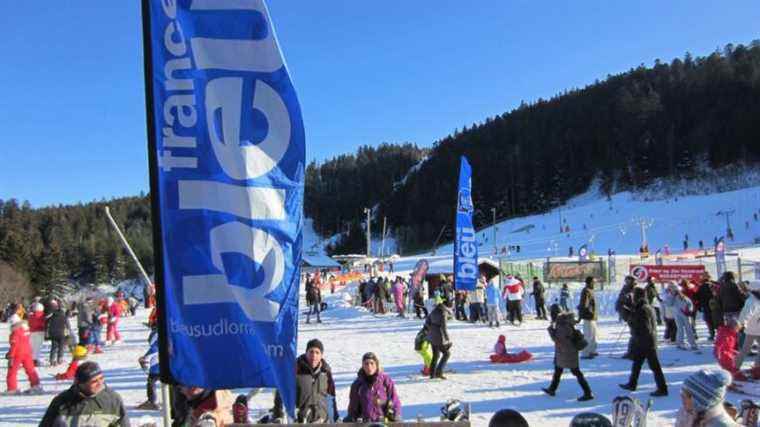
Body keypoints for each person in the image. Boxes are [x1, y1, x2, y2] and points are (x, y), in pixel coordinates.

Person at [40, 361, 130, 426]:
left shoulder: (112, 399)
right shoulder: (62, 401)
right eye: (94, 381)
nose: (100, 383)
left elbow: (123, 424)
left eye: (101, 378)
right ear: (81, 384)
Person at [619, 287, 668, 397]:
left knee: (655, 367)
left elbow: (644, 327)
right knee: (637, 364)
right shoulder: (642, 307)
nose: (632, 298)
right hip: (642, 341)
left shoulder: (643, 309)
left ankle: (662, 388)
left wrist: (632, 323)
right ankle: (632, 383)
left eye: (634, 295)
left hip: (646, 342)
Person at [542, 312, 594, 401]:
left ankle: (588, 393)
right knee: (558, 371)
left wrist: (550, 330)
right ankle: (552, 389)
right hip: (568, 353)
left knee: (575, 372)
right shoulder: (568, 324)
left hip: (565, 353)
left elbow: (557, 340)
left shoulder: (561, 326)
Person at [346, 352, 401, 423]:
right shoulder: (357, 384)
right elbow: (353, 406)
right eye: (366, 364)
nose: (369, 366)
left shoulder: (385, 381)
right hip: (365, 422)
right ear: (362, 366)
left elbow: (394, 400)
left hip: (384, 421)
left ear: (376, 364)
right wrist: (351, 417)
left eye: (372, 363)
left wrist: (395, 414)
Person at [675, 369, 740, 427]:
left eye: (686, 394)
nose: (682, 396)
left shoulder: (720, 424)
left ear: (700, 401)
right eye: (682, 391)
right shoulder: (687, 414)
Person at [5, 314, 42, 395]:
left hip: (18, 354)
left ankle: (12, 388)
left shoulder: (15, 332)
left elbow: (15, 345)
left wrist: (10, 355)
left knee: (12, 371)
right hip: (27, 352)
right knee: (30, 370)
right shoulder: (25, 329)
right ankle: (36, 385)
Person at [666, 282, 699, 351]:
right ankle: (680, 343)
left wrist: (689, 310)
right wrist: (672, 295)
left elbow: (690, 303)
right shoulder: (670, 296)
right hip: (677, 315)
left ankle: (692, 344)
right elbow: (669, 304)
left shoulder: (683, 296)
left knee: (689, 329)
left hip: (686, 315)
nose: (673, 290)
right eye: (672, 288)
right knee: (680, 330)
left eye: (674, 288)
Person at [426, 296, 453, 380]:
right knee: (447, 354)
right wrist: (448, 339)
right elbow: (444, 327)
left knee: (436, 355)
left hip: (431, 334)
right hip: (438, 335)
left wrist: (431, 330)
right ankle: (439, 372)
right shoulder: (443, 312)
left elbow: (427, 322)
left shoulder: (434, 310)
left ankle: (432, 373)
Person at [736, 280, 760, 373]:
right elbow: (746, 314)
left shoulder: (757, 299)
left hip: (756, 328)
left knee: (746, 349)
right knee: (745, 349)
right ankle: (735, 367)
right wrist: (741, 323)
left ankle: (757, 368)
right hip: (753, 329)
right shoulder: (752, 301)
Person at [136, 329, 161, 410]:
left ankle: (152, 401)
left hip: (156, 370)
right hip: (166, 369)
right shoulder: (169, 345)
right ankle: (171, 401)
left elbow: (145, 360)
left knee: (151, 383)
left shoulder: (154, 349)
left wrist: (142, 362)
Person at [578, 276, 598, 359]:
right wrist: (580, 316)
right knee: (588, 336)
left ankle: (592, 350)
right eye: (594, 282)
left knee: (593, 335)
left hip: (592, 317)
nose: (595, 284)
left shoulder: (591, 290)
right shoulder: (586, 291)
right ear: (589, 282)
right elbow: (584, 305)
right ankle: (585, 353)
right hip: (588, 316)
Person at [46, 299, 70, 366]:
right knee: (61, 346)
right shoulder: (63, 316)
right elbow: (67, 325)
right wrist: (68, 333)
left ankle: (52, 360)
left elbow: (47, 322)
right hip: (61, 333)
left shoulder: (52, 316)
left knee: (53, 347)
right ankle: (59, 359)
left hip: (53, 333)